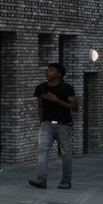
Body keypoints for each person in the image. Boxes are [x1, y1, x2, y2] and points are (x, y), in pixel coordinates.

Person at [28, 62, 76, 190]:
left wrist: (56, 100)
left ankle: (66, 181)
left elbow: (75, 107)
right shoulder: (41, 88)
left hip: (63, 125)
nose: (47, 72)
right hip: (47, 124)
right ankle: (41, 179)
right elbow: (40, 106)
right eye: (47, 70)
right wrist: (42, 122)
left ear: (59, 74)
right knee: (43, 150)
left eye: (51, 70)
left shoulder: (66, 88)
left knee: (66, 153)